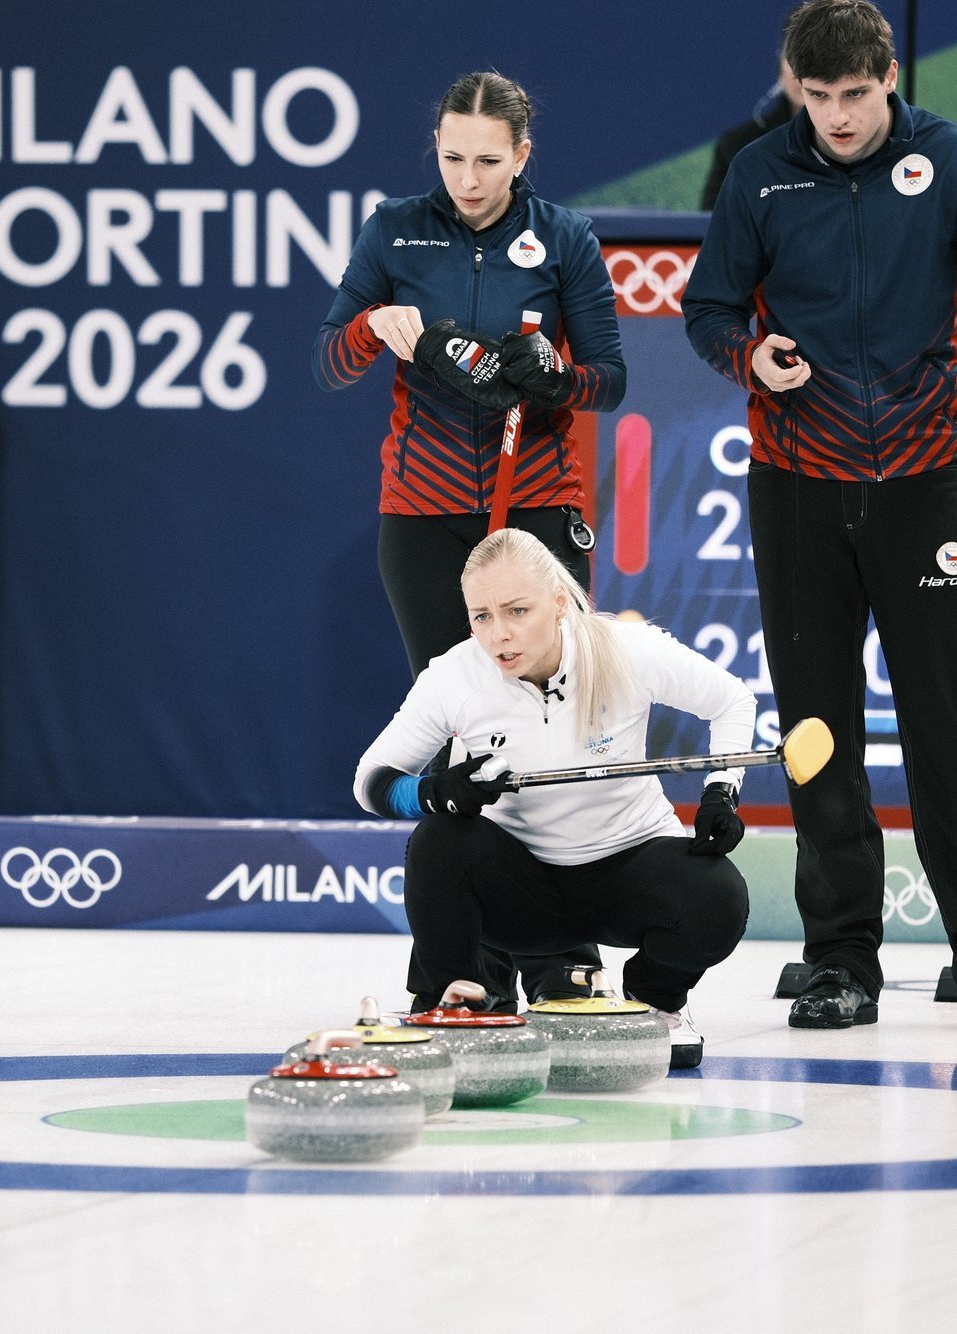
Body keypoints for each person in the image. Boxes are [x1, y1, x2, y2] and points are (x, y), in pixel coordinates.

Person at [682, 0, 957, 1030]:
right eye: (817, 97)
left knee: (950, 725)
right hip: (795, 486)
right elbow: (707, 309)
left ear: (887, 74)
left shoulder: (950, 160)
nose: (838, 117)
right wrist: (747, 358)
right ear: (791, 84)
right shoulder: (761, 171)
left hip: (920, 482)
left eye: (854, 94)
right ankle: (837, 960)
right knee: (817, 729)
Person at [315, 70, 627, 1011]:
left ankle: (564, 955)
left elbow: (610, 379)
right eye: (452, 157)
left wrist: (556, 376)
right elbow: (331, 359)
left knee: (556, 721)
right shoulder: (394, 229)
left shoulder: (563, 238)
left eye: (489, 160)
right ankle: (476, 967)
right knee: (467, 719)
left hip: (535, 505)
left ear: (523, 156)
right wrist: (375, 323)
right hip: (424, 512)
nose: (468, 177)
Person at [352, 529, 755, 1069]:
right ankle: (452, 1002)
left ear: (560, 602)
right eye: (482, 616)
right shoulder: (455, 675)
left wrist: (721, 793)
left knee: (718, 893)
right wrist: (434, 792)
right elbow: (371, 782)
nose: (499, 635)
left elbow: (732, 701)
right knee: (438, 842)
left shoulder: (627, 649)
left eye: (518, 610)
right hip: (522, 891)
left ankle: (653, 1003)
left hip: (627, 868)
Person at [699, 54, 805, 210]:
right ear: (780, 68)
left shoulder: (849, 145)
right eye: (794, 59)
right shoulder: (740, 144)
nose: (802, 73)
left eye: (816, 58)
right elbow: (712, 222)